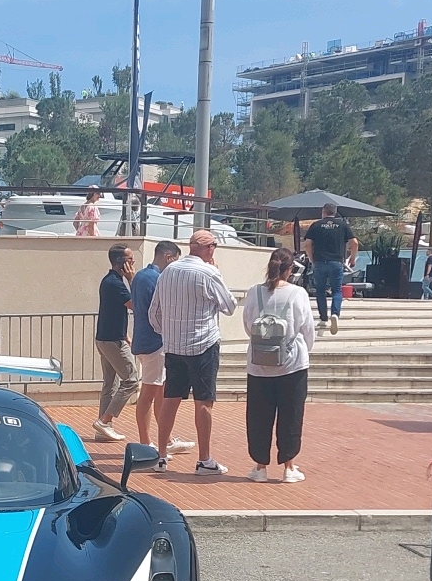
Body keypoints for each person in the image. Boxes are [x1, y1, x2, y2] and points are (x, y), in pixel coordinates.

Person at [149, 228, 237, 474]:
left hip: (174, 346)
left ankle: (162, 456)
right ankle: (204, 459)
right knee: (204, 401)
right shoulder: (209, 272)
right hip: (203, 344)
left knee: (170, 398)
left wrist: (166, 333)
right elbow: (229, 306)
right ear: (208, 249)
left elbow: (153, 313)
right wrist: (216, 271)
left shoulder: (167, 272)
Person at [242, 247, 316, 483]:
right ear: (290, 268)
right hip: (292, 365)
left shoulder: (255, 292)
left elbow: (248, 325)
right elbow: (308, 330)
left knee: (258, 417)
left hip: (259, 365)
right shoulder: (299, 293)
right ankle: (289, 467)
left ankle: (260, 466)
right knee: (291, 415)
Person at [129, 240, 193, 454]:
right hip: (155, 342)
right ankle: (147, 443)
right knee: (149, 392)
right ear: (168, 257)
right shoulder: (158, 278)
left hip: (146, 341)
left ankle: (163, 439)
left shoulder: (139, 276)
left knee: (159, 392)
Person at [93, 244, 138, 441]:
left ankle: (103, 429)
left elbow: (114, 312)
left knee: (110, 383)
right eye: (130, 259)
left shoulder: (110, 281)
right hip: (112, 342)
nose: (133, 262)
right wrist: (132, 280)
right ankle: (105, 420)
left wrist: (125, 334)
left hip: (107, 338)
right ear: (120, 262)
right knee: (131, 380)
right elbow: (136, 305)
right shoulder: (116, 283)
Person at [304, 201, 357, 334]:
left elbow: (308, 244)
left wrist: (311, 259)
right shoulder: (342, 225)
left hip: (320, 262)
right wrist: (352, 258)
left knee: (320, 291)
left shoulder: (316, 225)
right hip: (336, 262)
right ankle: (335, 314)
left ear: (323, 212)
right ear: (335, 212)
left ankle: (323, 318)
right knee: (337, 291)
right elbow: (354, 243)